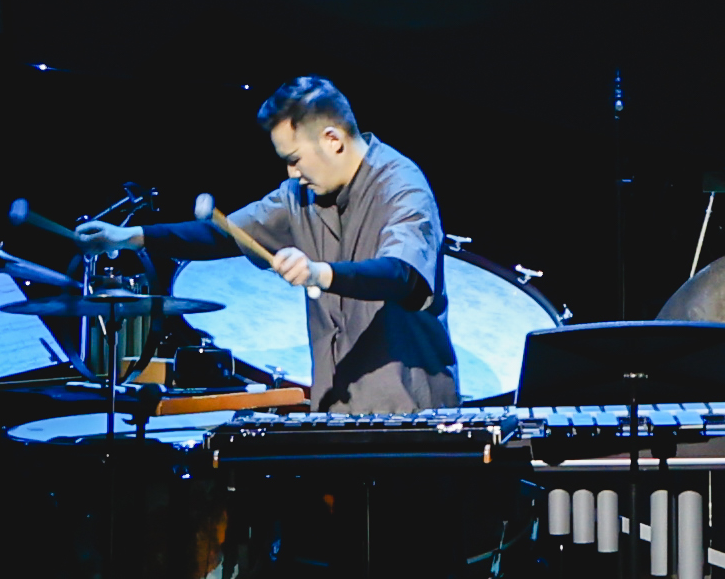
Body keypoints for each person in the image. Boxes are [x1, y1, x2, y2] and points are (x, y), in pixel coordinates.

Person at [90, 77, 459, 412]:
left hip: (410, 412)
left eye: (295, 160)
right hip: (334, 408)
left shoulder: (401, 185)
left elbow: (401, 275)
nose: (292, 173)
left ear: (332, 140)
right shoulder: (297, 196)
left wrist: (319, 273)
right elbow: (224, 235)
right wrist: (132, 236)